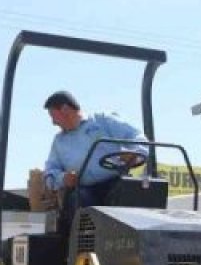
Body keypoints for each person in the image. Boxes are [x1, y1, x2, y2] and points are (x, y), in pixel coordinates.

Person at [42, 91, 145, 237]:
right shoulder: (59, 141)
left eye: (53, 116)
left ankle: (131, 239)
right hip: (84, 190)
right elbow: (50, 172)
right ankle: (86, 245)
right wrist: (63, 178)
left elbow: (136, 136)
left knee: (135, 191)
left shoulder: (103, 121)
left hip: (115, 182)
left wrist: (134, 152)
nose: (53, 122)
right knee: (77, 201)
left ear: (65, 109)